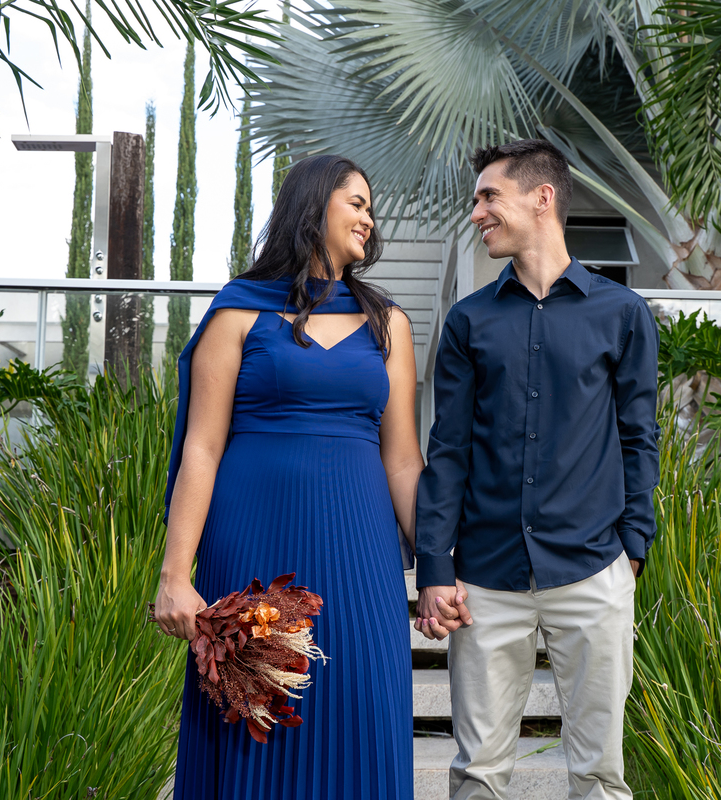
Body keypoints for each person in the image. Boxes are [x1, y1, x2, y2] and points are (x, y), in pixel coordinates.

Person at [154, 154, 421, 800]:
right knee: (252, 720)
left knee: (361, 711)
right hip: (251, 546)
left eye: (370, 206)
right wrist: (174, 575)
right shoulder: (238, 313)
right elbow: (202, 446)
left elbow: (404, 459)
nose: (369, 217)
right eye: (355, 202)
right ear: (312, 205)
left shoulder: (390, 325)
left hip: (360, 556)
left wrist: (439, 567)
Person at [414, 139, 660, 800]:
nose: (477, 214)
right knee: (478, 773)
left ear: (542, 197)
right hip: (487, 578)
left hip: (593, 568)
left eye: (488, 196)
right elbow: (449, 451)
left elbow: (640, 437)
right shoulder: (469, 322)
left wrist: (633, 545)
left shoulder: (622, 314)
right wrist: (435, 568)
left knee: (600, 774)